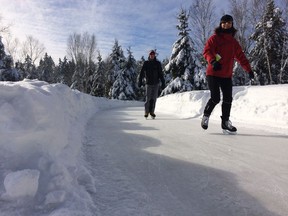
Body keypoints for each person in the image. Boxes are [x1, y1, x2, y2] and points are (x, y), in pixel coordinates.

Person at [201, 14, 254, 132]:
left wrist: (249, 69)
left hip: (226, 75)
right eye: (224, 22)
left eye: (229, 22)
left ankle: (225, 122)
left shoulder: (234, 42)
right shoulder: (214, 38)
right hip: (213, 72)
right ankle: (206, 116)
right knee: (215, 98)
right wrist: (213, 61)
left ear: (232, 24)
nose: (226, 25)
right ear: (221, 24)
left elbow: (241, 57)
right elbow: (207, 51)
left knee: (228, 99)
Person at [138, 50, 165, 119]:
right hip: (148, 83)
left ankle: (152, 112)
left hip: (156, 83)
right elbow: (141, 73)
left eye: (153, 54)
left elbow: (160, 74)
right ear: (149, 55)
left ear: (154, 55)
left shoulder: (158, 63)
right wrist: (140, 81)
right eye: (151, 54)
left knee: (154, 99)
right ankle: (146, 112)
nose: (152, 55)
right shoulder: (146, 63)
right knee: (148, 98)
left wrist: (163, 82)